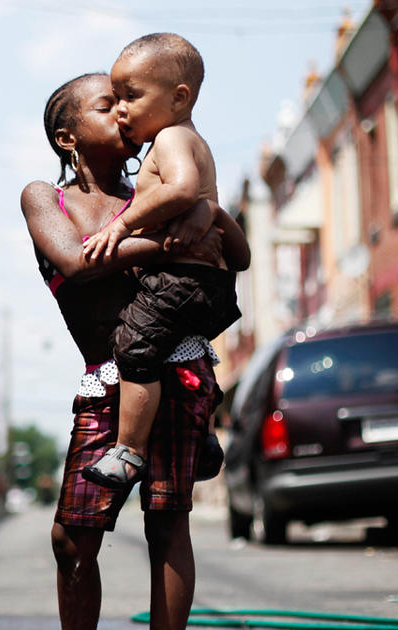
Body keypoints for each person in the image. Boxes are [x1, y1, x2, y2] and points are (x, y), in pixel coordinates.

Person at [21, 72, 249, 630]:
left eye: (128, 101)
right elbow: (76, 261)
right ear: (67, 137)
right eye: (107, 105)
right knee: (71, 536)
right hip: (105, 380)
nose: (124, 112)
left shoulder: (156, 191)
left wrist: (206, 216)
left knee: (167, 522)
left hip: (175, 367)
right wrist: (177, 236)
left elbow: (226, 254)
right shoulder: (45, 198)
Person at [79, 33, 241, 489]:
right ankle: (206, 436)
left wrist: (121, 226)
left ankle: (128, 451)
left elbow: (182, 189)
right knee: (186, 355)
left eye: (131, 96)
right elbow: (235, 248)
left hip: (178, 280)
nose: (122, 109)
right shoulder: (192, 140)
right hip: (209, 284)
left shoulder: (171, 139)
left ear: (179, 96)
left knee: (134, 347)